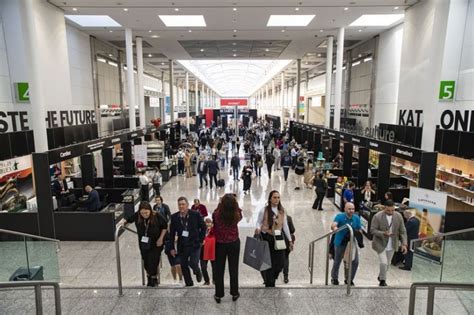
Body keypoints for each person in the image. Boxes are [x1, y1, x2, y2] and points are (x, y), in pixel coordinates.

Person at [120, 201, 167, 287]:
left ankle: (153, 278)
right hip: (144, 243)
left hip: (156, 243)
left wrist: (161, 238)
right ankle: (149, 276)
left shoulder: (156, 215)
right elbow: (129, 219)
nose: (144, 214)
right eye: (142, 213)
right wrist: (124, 221)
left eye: (146, 212)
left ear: (150, 210)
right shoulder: (138, 215)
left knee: (154, 260)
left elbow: (165, 226)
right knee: (146, 260)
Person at [255, 191, 293, 287]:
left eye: (278, 197)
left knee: (279, 262)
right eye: (275, 197)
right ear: (270, 198)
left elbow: (285, 226)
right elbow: (258, 222)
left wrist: (289, 240)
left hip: (278, 237)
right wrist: (258, 228)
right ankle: (269, 281)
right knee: (266, 261)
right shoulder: (264, 210)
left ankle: (273, 277)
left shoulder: (282, 211)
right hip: (266, 237)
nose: (277, 199)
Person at [169, 197, 206, 287]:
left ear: (187, 205)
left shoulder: (195, 214)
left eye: (183, 204)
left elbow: (203, 227)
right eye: (179, 204)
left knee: (193, 262)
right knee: (184, 265)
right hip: (182, 245)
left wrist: (201, 240)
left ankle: (197, 271)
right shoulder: (174, 217)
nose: (181, 206)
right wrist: (172, 248)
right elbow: (172, 234)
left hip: (195, 244)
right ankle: (189, 284)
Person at [212, 193, 243, 303]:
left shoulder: (217, 214)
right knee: (233, 269)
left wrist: (220, 203)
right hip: (234, 243)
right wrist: (235, 203)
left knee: (219, 270)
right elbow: (240, 212)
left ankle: (218, 294)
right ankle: (234, 293)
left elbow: (214, 218)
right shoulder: (236, 214)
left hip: (220, 244)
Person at [370, 199, 408, 286]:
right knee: (384, 262)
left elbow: (403, 231)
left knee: (388, 263)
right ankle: (383, 281)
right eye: (388, 210)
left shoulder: (398, 216)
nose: (390, 212)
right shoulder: (377, 216)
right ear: (384, 208)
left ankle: (380, 276)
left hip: (392, 244)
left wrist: (404, 244)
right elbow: (372, 230)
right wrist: (383, 233)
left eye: (392, 210)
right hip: (380, 244)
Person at [330, 202, 361, 286]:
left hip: (351, 243)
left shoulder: (356, 218)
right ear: (345, 209)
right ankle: (334, 278)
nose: (351, 211)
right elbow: (334, 224)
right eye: (349, 209)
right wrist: (335, 228)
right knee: (337, 261)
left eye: (353, 209)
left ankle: (349, 279)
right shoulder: (340, 216)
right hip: (340, 242)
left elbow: (359, 228)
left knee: (355, 261)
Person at [200, 217, 215, 286]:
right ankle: (206, 280)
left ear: (212, 224)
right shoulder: (201, 231)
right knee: (203, 267)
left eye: (209, 223)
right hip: (203, 252)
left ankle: (214, 280)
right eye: (207, 222)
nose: (208, 224)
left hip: (213, 251)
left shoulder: (215, 231)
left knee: (214, 267)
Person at [282, 215, 296, 283]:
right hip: (286, 241)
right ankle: (285, 276)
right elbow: (293, 230)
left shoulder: (272, 217)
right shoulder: (288, 217)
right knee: (285, 258)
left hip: (275, 241)